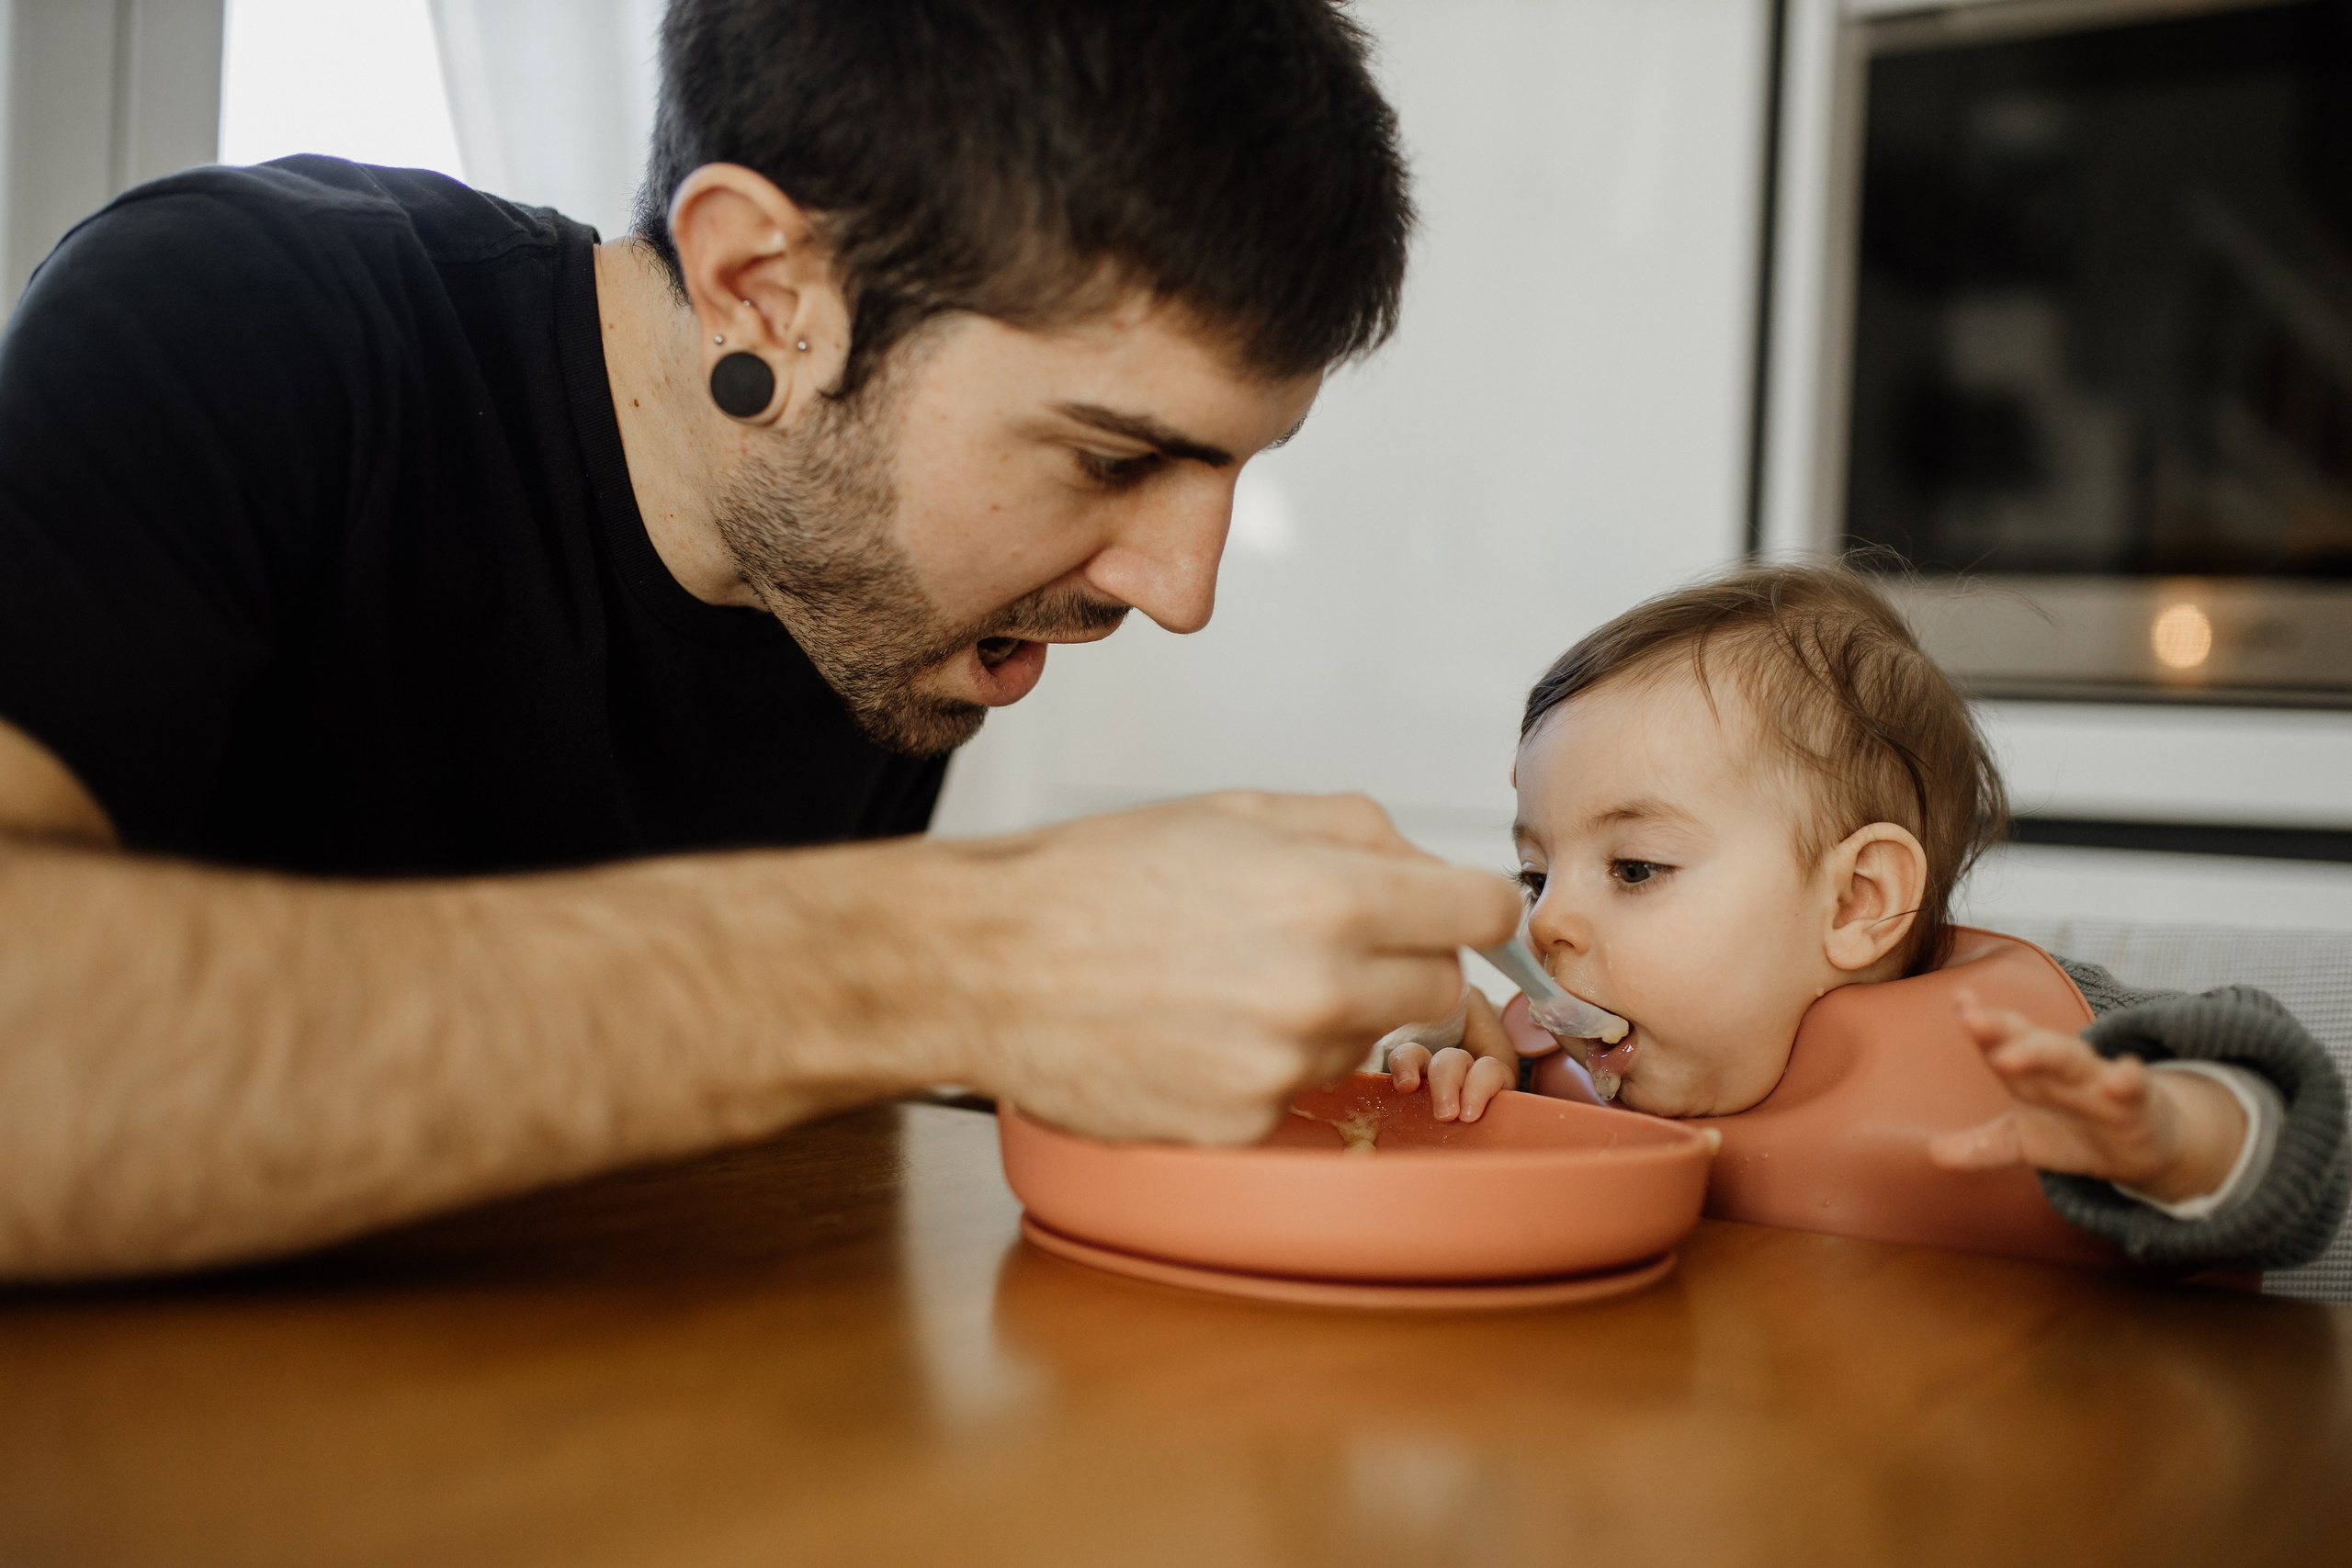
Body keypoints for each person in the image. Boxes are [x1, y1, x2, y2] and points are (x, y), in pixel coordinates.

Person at [0, 0, 1522, 1280]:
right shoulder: (236, 320)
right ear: (765, 293)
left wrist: (1194, 1012)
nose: (1183, 590)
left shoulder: (856, 604)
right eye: (1112, 457)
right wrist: (970, 952)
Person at [1386, 566, 2347, 1270]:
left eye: (1635, 868)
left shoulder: (2047, 1050)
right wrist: (1436, 1066)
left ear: (1858, 900)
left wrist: (2178, 1138)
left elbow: (2298, 1161)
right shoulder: (1543, 1069)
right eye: (1534, 876)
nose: (1547, 923)